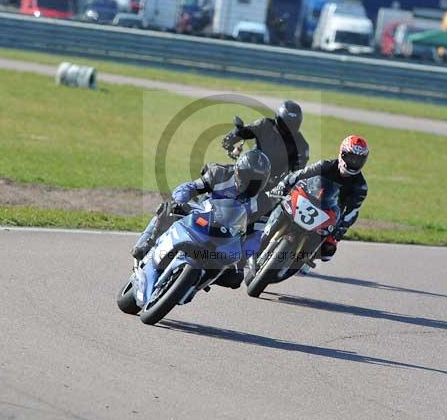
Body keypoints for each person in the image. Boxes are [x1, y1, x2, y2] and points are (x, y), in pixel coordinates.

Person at [131, 149, 272, 288]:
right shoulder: (220, 173)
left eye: (257, 181)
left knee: (234, 279)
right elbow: (188, 188)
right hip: (203, 214)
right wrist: (180, 201)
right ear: (237, 171)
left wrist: (244, 255)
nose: (250, 183)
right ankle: (148, 244)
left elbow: (256, 236)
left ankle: (198, 281)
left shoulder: (263, 203)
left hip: (228, 237)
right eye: (247, 176)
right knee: (168, 209)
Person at [271, 135, 369, 263]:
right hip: (308, 200)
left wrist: (340, 229)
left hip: (329, 215)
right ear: (342, 153)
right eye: (351, 157)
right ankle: (264, 233)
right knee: (278, 204)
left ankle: (303, 259)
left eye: (358, 160)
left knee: (328, 250)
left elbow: (353, 212)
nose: (354, 162)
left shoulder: (360, 186)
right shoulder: (325, 165)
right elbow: (301, 174)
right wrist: (283, 185)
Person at [221, 100, 309, 191]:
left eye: (292, 124)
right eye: (285, 123)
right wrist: (234, 135)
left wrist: (285, 185)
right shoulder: (265, 124)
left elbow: (298, 172)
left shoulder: (301, 145)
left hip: (272, 185)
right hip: (248, 170)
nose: (287, 127)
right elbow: (247, 131)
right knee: (221, 177)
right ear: (277, 118)